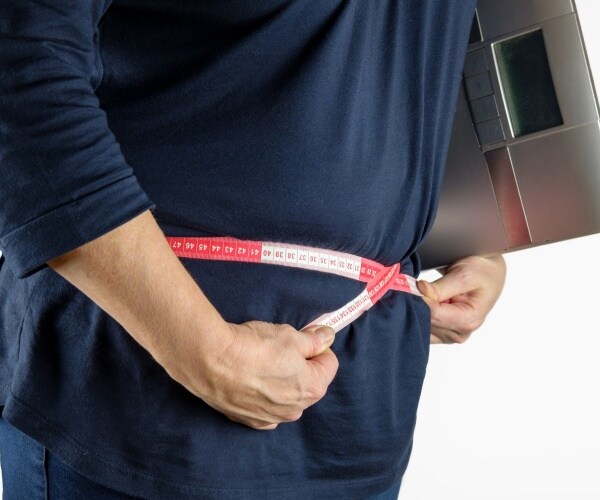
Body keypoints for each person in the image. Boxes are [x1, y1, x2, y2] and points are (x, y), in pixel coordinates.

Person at [0, 1, 506, 498]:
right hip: (134, 417)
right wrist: (207, 353)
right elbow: (22, 67)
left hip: (365, 423)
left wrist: (475, 227)